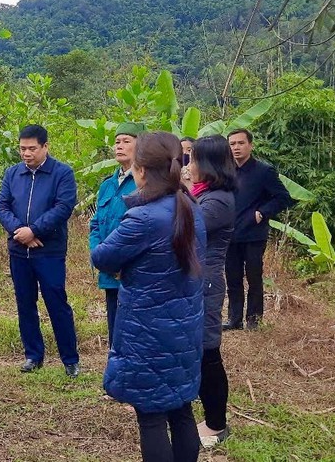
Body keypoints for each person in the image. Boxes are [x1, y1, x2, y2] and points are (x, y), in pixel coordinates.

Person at [91, 131, 206, 462]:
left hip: (148, 332)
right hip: (184, 329)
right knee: (181, 410)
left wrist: (97, 234)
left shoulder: (143, 218)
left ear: (141, 170)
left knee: (151, 417)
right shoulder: (191, 206)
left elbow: (103, 257)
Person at [0, 124, 80, 378]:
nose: (26, 153)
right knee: (25, 304)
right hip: (19, 251)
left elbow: (63, 207)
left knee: (57, 302)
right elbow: (1, 207)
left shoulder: (62, 173)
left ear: (45, 147)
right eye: (22, 148)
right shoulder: (12, 174)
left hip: (49, 251)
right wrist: (20, 231)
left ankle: (70, 359)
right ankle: (33, 355)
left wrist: (34, 230)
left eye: (32, 148)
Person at [189, 135, 236, 447]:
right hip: (199, 282)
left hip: (206, 285)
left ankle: (217, 424)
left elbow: (184, 227)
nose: (188, 166)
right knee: (200, 352)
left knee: (209, 354)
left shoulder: (216, 201)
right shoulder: (205, 194)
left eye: (192, 159)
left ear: (206, 164)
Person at [225, 129, 294, 330]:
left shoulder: (264, 171)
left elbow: (284, 198)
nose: (236, 147)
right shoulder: (227, 171)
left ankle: (254, 320)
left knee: (254, 277)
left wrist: (262, 212)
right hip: (230, 234)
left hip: (254, 233)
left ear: (250, 145)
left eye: (240, 143)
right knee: (233, 277)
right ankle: (234, 319)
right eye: (232, 144)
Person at [89, 122, 144, 347]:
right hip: (109, 270)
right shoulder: (107, 185)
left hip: (133, 271)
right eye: (117, 142)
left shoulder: (145, 184)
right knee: (114, 326)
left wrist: (122, 262)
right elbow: (95, 224)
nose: (119, 146)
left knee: (136, 329)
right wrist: (99, 254)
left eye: (126, 141)